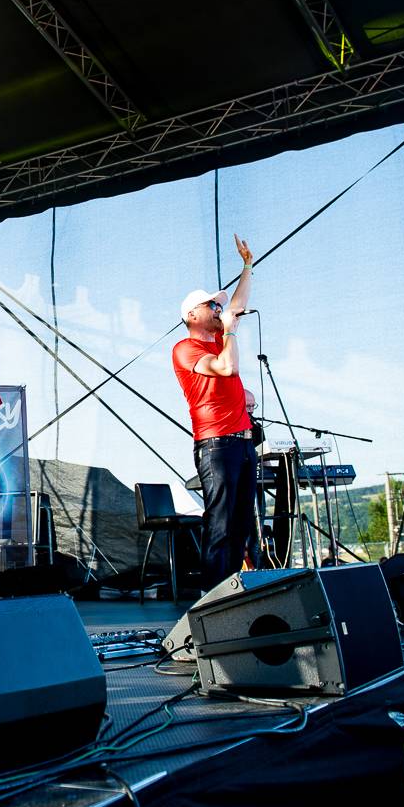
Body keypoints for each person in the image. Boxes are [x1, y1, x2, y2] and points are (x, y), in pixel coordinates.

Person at [172, 234, 256, 590]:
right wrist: (231, 335)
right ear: (192, 315)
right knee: (220, 522)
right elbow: (226, 369)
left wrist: (247, 267)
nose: (218, 309)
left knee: (241, 524)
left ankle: (234, 591)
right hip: (215, 445)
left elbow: (236, 304)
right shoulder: (185, 349)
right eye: (211, 305)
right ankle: (211, 596)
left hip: (243, 441)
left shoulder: (222, 336)